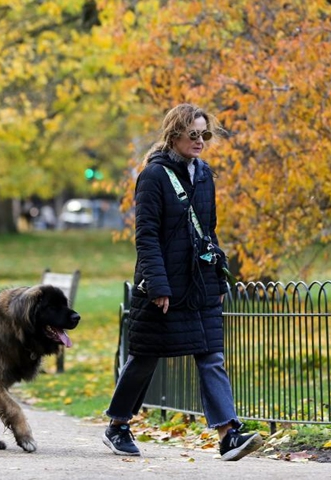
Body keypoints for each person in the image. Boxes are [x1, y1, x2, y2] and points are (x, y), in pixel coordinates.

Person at [102, 104, 263, 461]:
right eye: (194, 134)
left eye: (206, 134)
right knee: (145, 358)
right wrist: (158, 286)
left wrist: (219, 279)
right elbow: (146, 236)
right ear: (174, 133)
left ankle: (228, 434)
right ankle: (117, 425)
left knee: (211, 357)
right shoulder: (154, 176)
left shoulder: (205, 174)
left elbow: (209, 231)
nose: (201, 141)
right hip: (163, 288)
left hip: (200, 285)